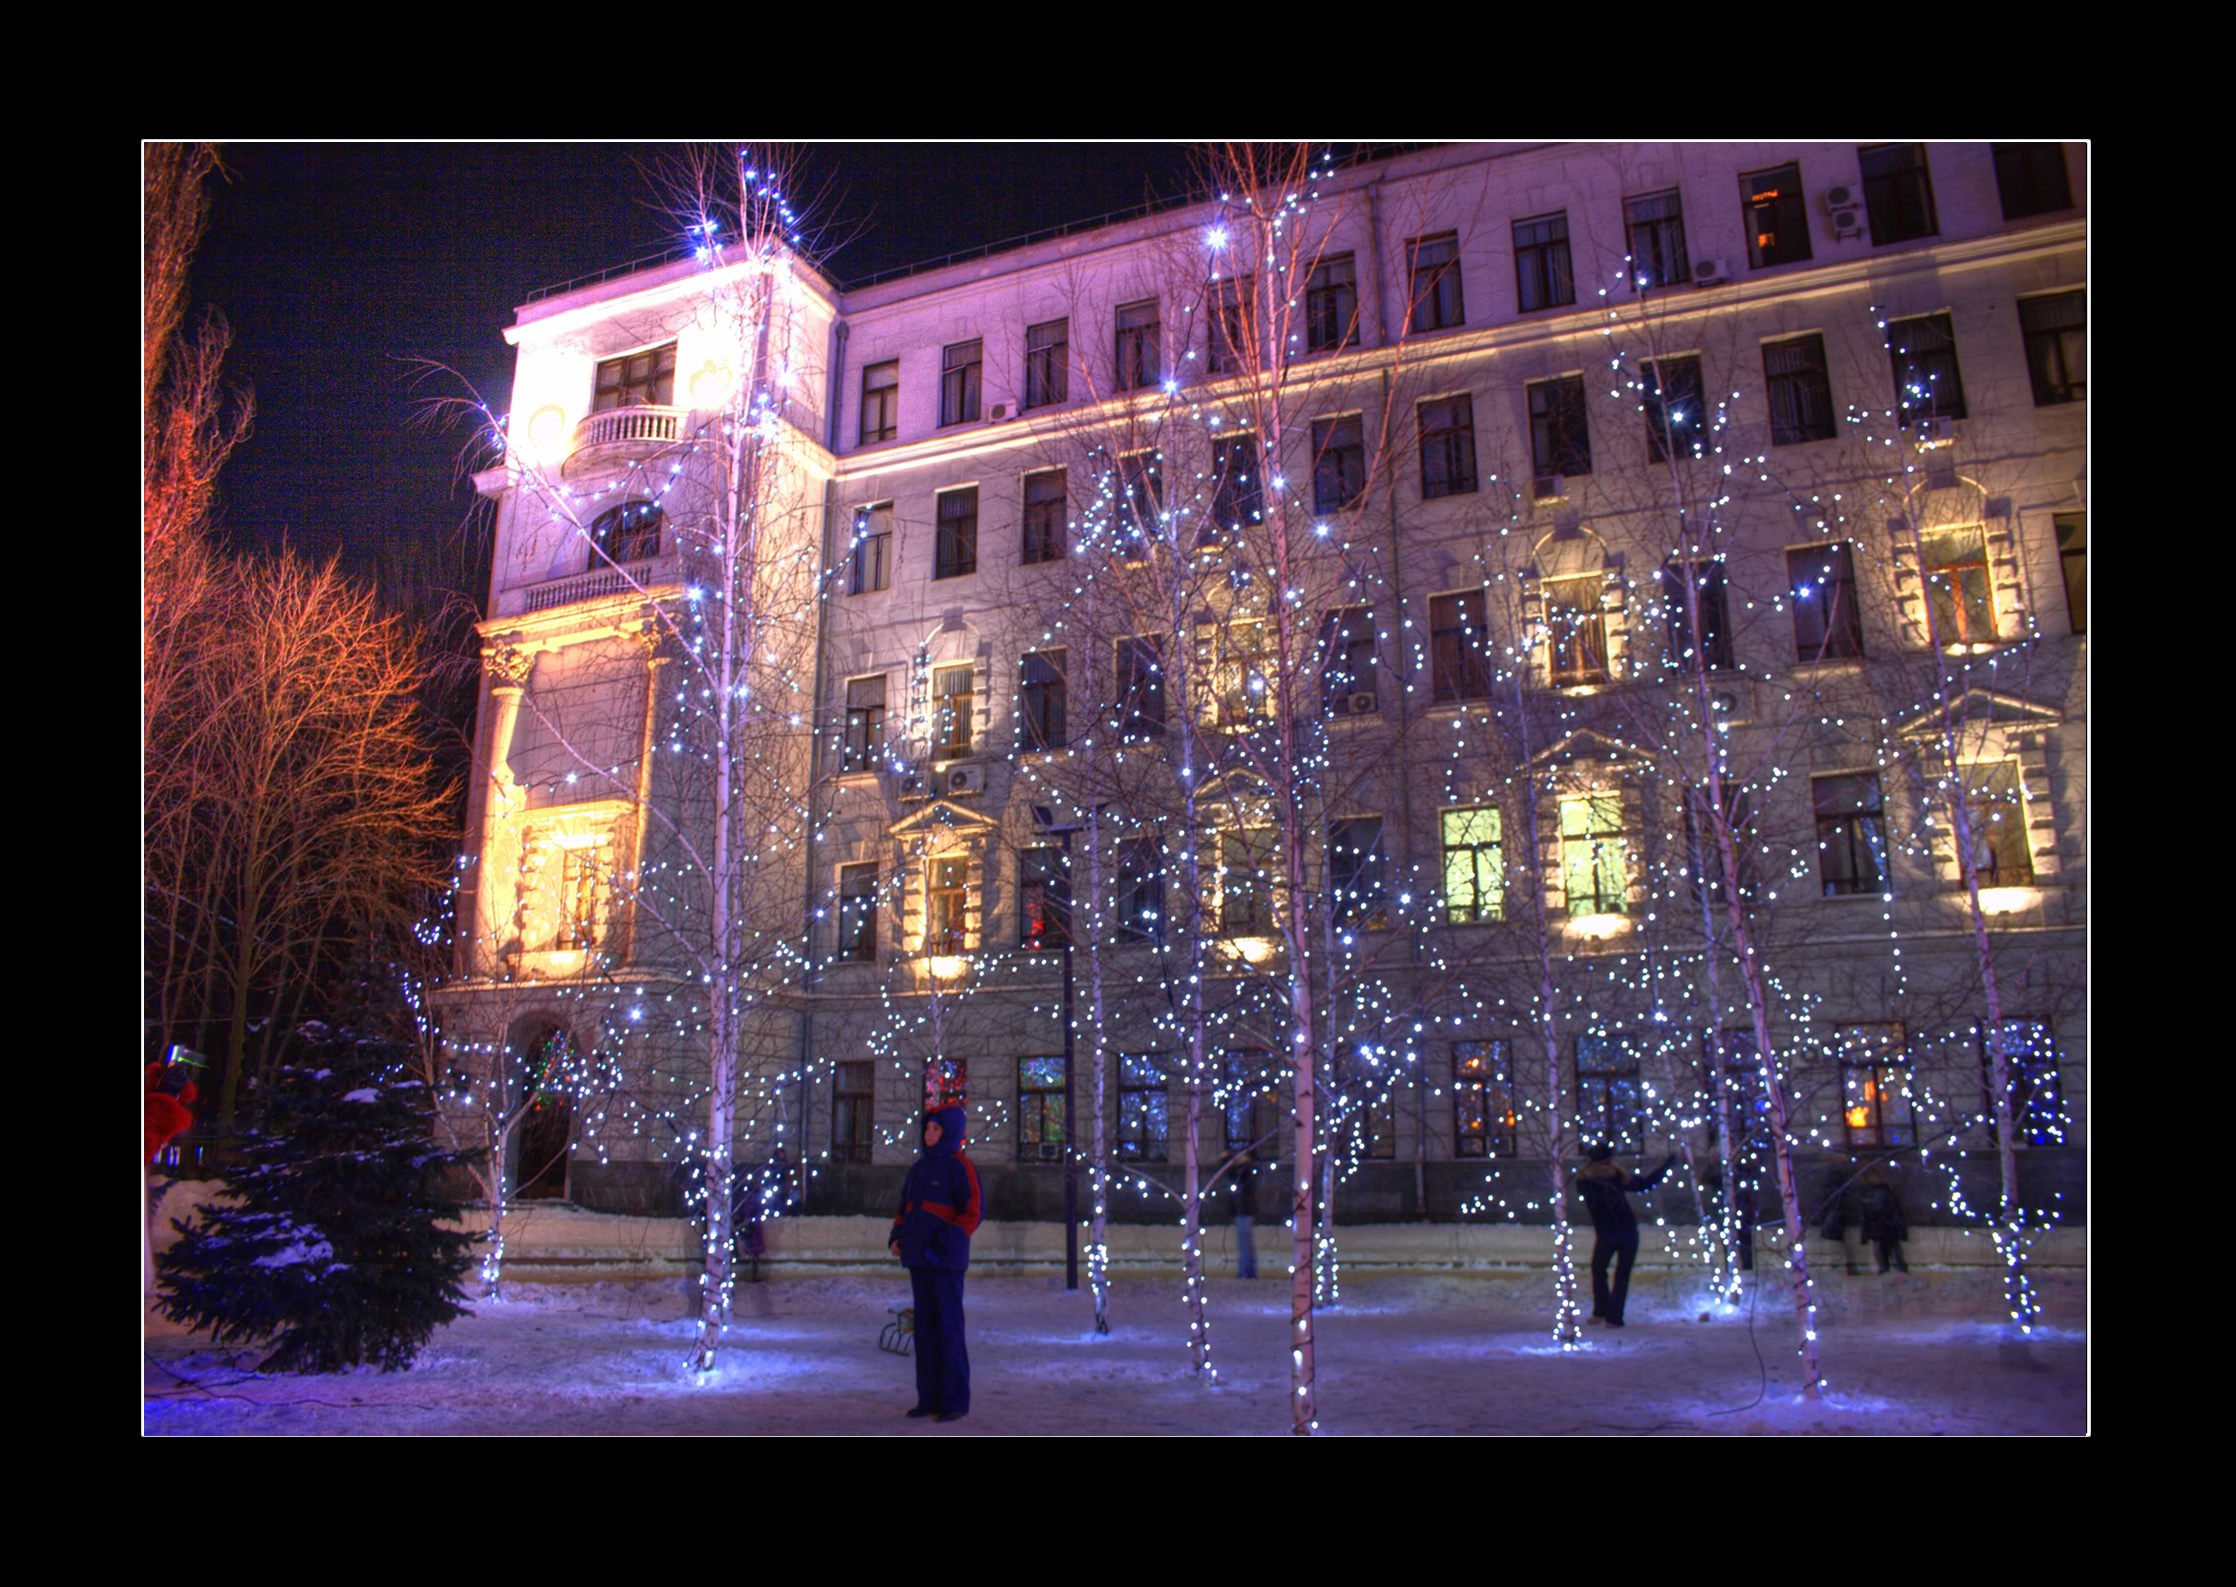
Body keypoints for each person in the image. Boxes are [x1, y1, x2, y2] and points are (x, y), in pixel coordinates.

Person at [888, 1103, 982, 1423]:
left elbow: (971, 1213)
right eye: (927, 1128)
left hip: (945, 1264)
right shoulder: (919, 1169)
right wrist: (897, 1237)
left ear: (950, 1133)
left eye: (936, 1129)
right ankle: (928, 1398)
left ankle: (954, 1400)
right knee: (925, 1332)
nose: (929, 1134)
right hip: (919, 1262)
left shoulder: (960, 1168)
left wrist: (943, 1246)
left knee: (949, 1330)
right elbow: (905, 1209)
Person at [1576, 1143, 1676, 1328]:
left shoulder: (1586, 1182)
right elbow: (1646, 1184)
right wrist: (1665, 1167)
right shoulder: (1617, 1177)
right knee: (1618, 1274)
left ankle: (1603, 1312)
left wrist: (1664, 1167)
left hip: (1609, 1233)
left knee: (1601, 1270)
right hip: (1627, 1231)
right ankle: (1612, 1317)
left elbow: (1644, 1184)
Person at [1857, 1164, 1909, 1274]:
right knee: (1895, 1255)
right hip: (1889, 1229)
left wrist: (1865, 1234)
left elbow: (1869, 1215)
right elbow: (1897, 1212)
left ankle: (1889, 1273)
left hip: (1880, 1229)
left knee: (1883, 1257)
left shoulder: (1872, 1194)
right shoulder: (1888, 1192)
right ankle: (1900, 1273)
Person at [1231, 1150, 1258, 1279]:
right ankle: (1249, 1272)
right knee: (1246, 1244)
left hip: (1243, 1212)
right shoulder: (1247, 1173)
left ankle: (1244, 1272)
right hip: (1245, 1212)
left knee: (1244, 1244)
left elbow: (1231, 1176)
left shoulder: (1244, 1174)